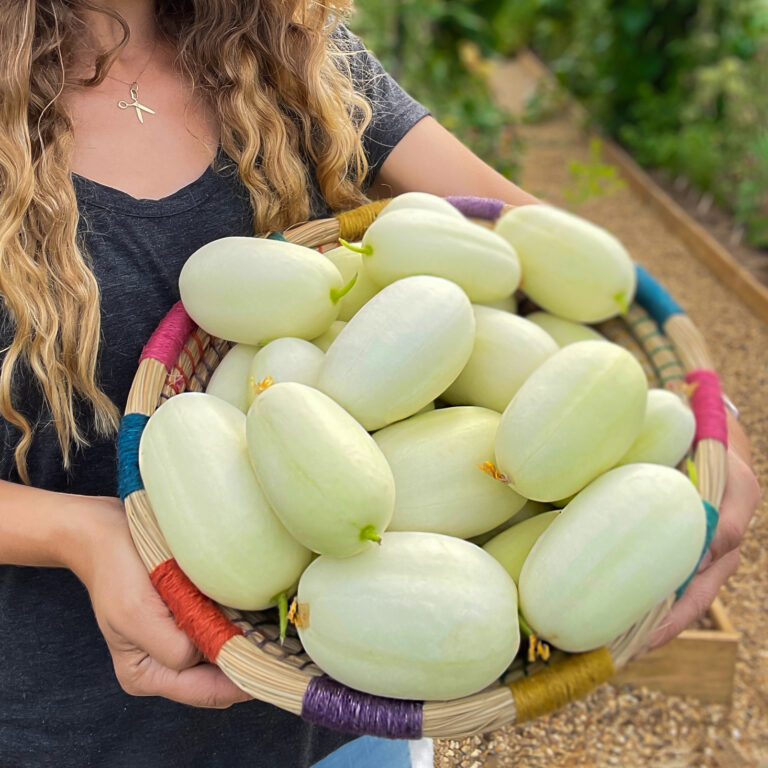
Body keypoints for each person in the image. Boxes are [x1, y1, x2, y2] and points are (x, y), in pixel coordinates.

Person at [0, 2, 759, 767]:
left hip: (362, 684)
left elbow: (531, 245)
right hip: (80, 728)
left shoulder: (286, 43)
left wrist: (705, 413)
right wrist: (84, 534)